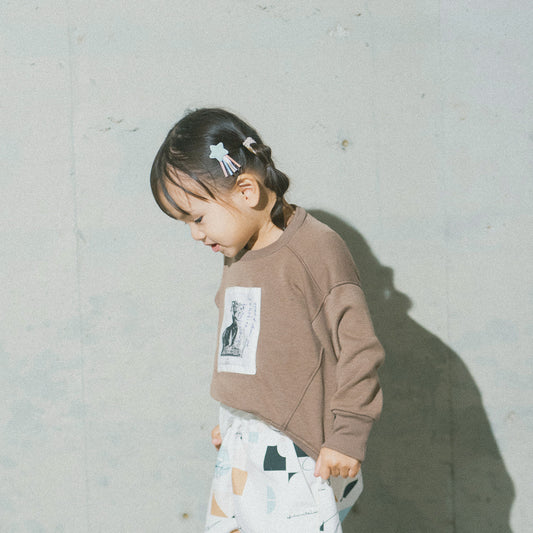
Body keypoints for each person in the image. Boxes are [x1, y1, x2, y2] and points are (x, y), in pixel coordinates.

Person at [150, 108, 384, 533]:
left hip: (297, 449)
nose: (196, 234)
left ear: (246, 191)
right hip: (244, 441)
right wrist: (236, 415)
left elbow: (358, 349)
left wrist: (348, 435)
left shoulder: (316, 250)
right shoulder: (239, 250)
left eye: (198, 218)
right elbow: (245, 340)